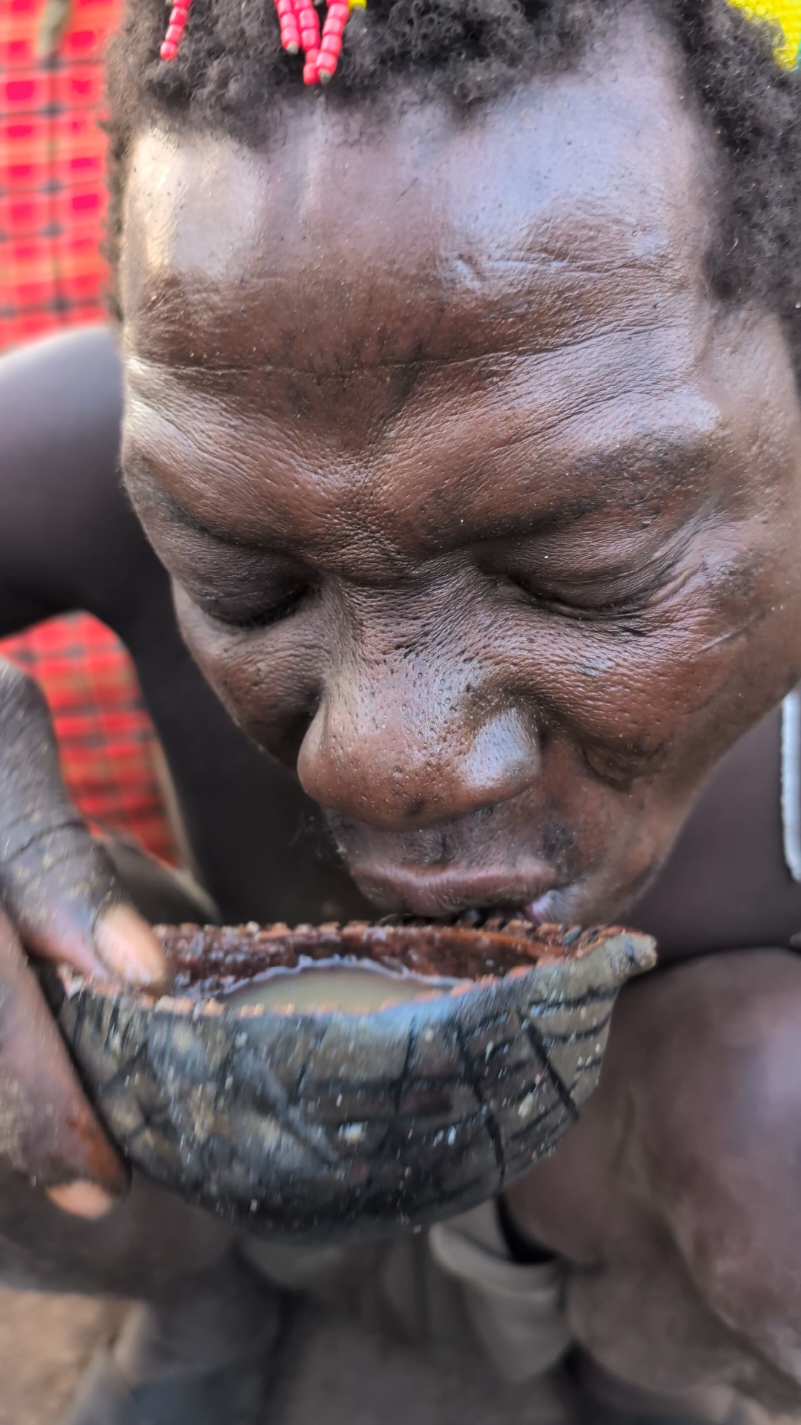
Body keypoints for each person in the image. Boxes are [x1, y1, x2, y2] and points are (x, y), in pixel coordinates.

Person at [1, 0, 801, 1420]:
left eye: (580, 577)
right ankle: (202, 1309)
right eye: (250, 584)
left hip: (614, 1188)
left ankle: (644, 1367)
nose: (384, 758)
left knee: (773, 1117)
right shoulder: (126, 444)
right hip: (225, 1159)